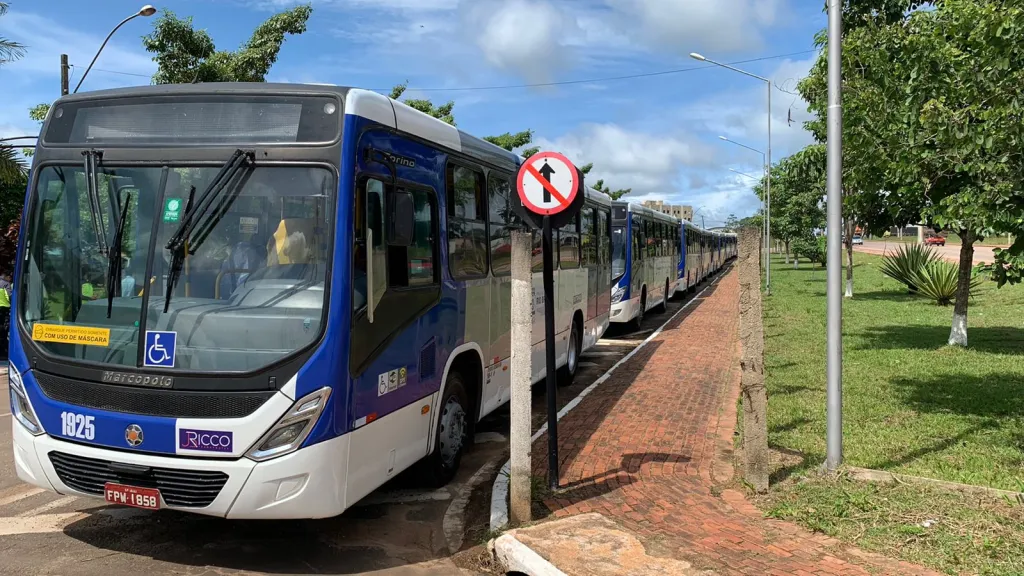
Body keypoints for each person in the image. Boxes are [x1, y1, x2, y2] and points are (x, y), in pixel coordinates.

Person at [0, 273, 11, 360]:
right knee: (4, 330)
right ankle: (3, 350)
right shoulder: (6, 284)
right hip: (4, 309)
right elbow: (9, 296)